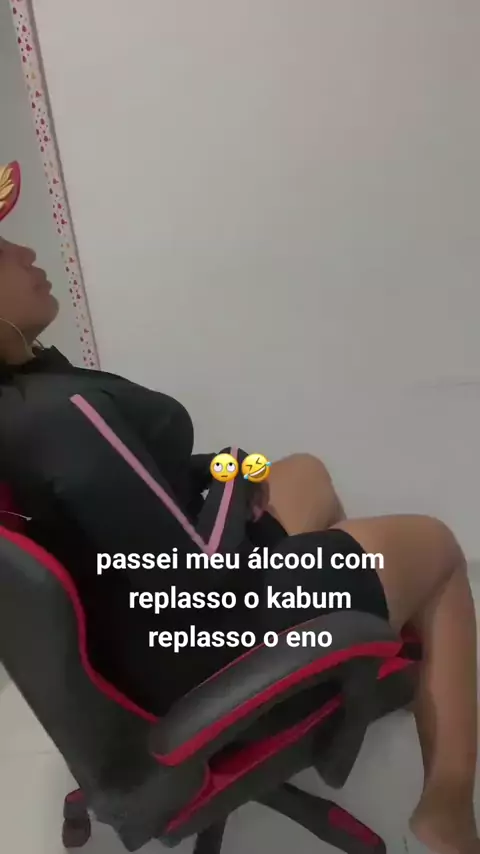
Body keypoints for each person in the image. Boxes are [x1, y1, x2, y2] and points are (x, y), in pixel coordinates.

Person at [0, 161, 478, 854]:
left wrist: (228, 473)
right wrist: (231, 475)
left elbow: (135, 487)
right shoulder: (65, 416)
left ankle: (344, 670)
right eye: (3, 249)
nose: (26, 253)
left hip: (128, 622)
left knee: (303, 473)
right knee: (436, 547)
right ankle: (446, 810)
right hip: (197, 640)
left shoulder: (20, 403)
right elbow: (199, 580)